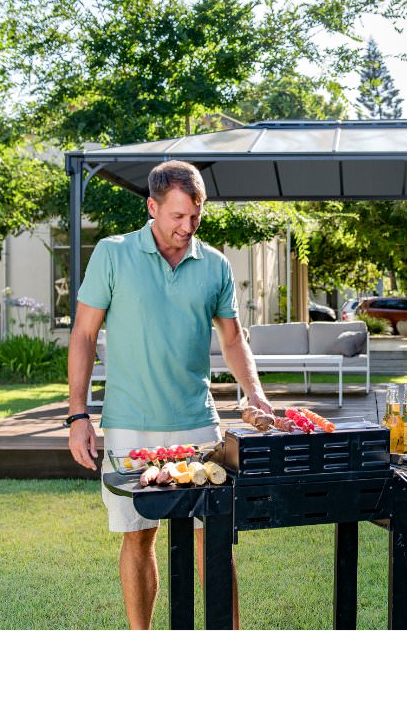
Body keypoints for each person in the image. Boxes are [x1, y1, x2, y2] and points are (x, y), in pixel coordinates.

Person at [66, 160, 273, 630]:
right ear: (152, 206)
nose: (187, 227)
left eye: (196, 217)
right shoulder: (112, 254)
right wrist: (78, 416)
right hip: (129, 423)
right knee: (139, 536)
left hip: (197, 422)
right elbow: (82, 335)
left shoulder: (215, 264)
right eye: (178, 216)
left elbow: (234, 338)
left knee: (212, 538)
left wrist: (255, 394)